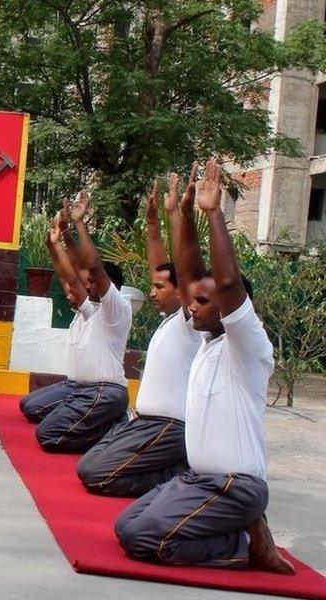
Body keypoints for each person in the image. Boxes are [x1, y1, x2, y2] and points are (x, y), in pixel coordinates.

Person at [114, 160, 294, 574]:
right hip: (200, 480)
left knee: (146, 539)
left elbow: (226, 285)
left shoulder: (247, 346)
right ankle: (241, 535)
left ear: (232, 310)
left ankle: (246, 546)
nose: (191, 306)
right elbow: (190, 272)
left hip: (235, 486)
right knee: (127, 526)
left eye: (202, 303)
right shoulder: (205, 343)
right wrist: (184, 216)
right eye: (191, 300)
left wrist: (214, 214)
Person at [76, 179, 201, 496]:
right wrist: (151, 221)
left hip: (169, 428)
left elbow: (185, 267)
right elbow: (159, 264)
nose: (152, 291)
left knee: (97, 476)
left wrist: (178, 215)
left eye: (161, 287)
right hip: (145, 422)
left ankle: (178, 475)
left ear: (182, 291)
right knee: (85, 465)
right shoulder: (169, 319)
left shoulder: (190, 320)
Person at [19, 192, 132, 453]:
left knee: (48, 434)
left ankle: (117, 426)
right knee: (30, 407)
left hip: (105, 391)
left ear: (107, 286)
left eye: (92, 283)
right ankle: (93, 419)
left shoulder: (115, 309)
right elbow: (69, 278)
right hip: (77, 388)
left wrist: (79, 224)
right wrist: (55, 243)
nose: (84, 286)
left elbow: (91, 268)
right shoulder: (89, 309)